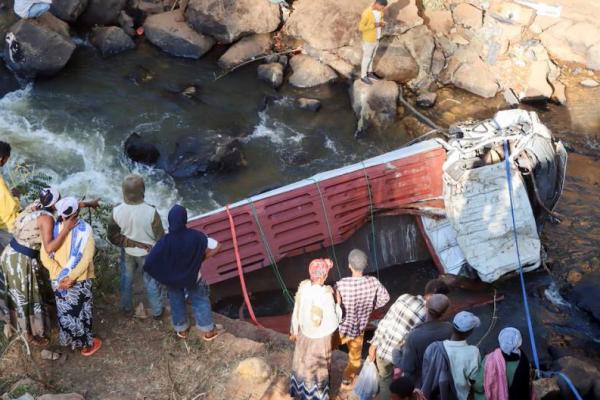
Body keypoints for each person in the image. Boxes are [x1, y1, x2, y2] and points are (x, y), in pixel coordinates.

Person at [0, 188, 80, 344]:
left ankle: (28, 329)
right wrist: (66, 229)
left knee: (23, 294)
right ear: (55, 204)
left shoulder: (36, 206)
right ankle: (29, 335)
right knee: (24, 298)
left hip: (12, 253)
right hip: (20, 261)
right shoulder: (47, 219)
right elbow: (49, 247)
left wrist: (86, 204)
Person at [144, 204, 221, 340]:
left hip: (173, 280)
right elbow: (217, 246)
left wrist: (163, 275)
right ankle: (208, 331)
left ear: (170, 221)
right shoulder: (196, 236)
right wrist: (202, 258)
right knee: (200, 300)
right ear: (185, 220)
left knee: (176, 302)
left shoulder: (164, 242)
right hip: (193, 277)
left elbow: (149, 262)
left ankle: (182, 330)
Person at [40, 197, 102, 356]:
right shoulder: (85, 229)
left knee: (66, 313)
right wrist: (72, 277)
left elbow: (45, 256)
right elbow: (87, 258)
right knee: (82, 313)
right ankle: (86, 346)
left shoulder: (53, 229)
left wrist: (59, 276)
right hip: (79, 281)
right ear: (77, 211)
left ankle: (70, 342)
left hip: (59, 282)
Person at [368, 279, 450, 398]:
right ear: (434, 298)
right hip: (403, 360)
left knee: (385, 381)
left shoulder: (404, 298)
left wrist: (374, 343)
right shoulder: (429, 317)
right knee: (402, 388)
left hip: (384, 350)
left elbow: (386, 321)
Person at [107, 175, 165, 318]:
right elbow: (161, 238)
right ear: (142, 190)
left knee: (126, 279)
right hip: (148, 253)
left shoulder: (116, 211)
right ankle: (157, 311)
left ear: (124, 191)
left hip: (128, 251)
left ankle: (126, 307)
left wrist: (126, 243)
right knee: (150, 281)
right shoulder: (151, 212)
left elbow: (112, 236)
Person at [289, 258, 342, 400]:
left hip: (304, 335)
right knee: (319, 369)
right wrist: (338, 304)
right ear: (324, 276)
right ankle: (316, 396)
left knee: (303, 364)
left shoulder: (303, 286)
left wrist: (295, 331)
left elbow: (296, 312)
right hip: (320, 339)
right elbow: (334, 323)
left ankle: (299, 390)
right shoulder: (326, 294)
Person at [335, 249, 390, 385]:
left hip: (341, 329)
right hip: (358, 331)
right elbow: (386, 298)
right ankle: (347, 379)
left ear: (349, 265)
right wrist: (371, 306)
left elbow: (335, 305)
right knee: (354, 359)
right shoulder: (373, 282)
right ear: (365, 266)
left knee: (327, 348)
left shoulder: (341, 284)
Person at [401, 293, 452, 387]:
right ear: (444, 313)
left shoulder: (414, 335)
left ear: (426, 307)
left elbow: (408, 368)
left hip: (420, 383)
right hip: (441, 379)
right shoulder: (449, 329)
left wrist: (396, 353)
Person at [473, 327, 535, 400]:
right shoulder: (524, 360)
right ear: (518, 342)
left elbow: (478, 386)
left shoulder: (490, 359)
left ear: (500, 340)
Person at [441, 311, 481, 400]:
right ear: (469, 332)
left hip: (442, 394)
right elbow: (474, 379)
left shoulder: (440, 346)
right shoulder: (473, 351)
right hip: (461, 396)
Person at [358, 0, 387, 85]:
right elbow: (361, 28)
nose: (382, 9)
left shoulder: (380, 11)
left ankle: (370, 73)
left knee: (372, 56)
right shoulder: (367, 13)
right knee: (367, 57)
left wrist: (382, 23)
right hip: (368, 39)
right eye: (381, 7)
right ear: (376, 4)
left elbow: (380, 19)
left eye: (383, 8)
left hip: (377, 38)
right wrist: (374, 25)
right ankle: (363, 76)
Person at [0, 141, 20, 250]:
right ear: (1, 158)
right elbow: (9, 210)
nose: (6, 162)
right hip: (5, 228)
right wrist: (17, 198)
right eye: (7, 158)